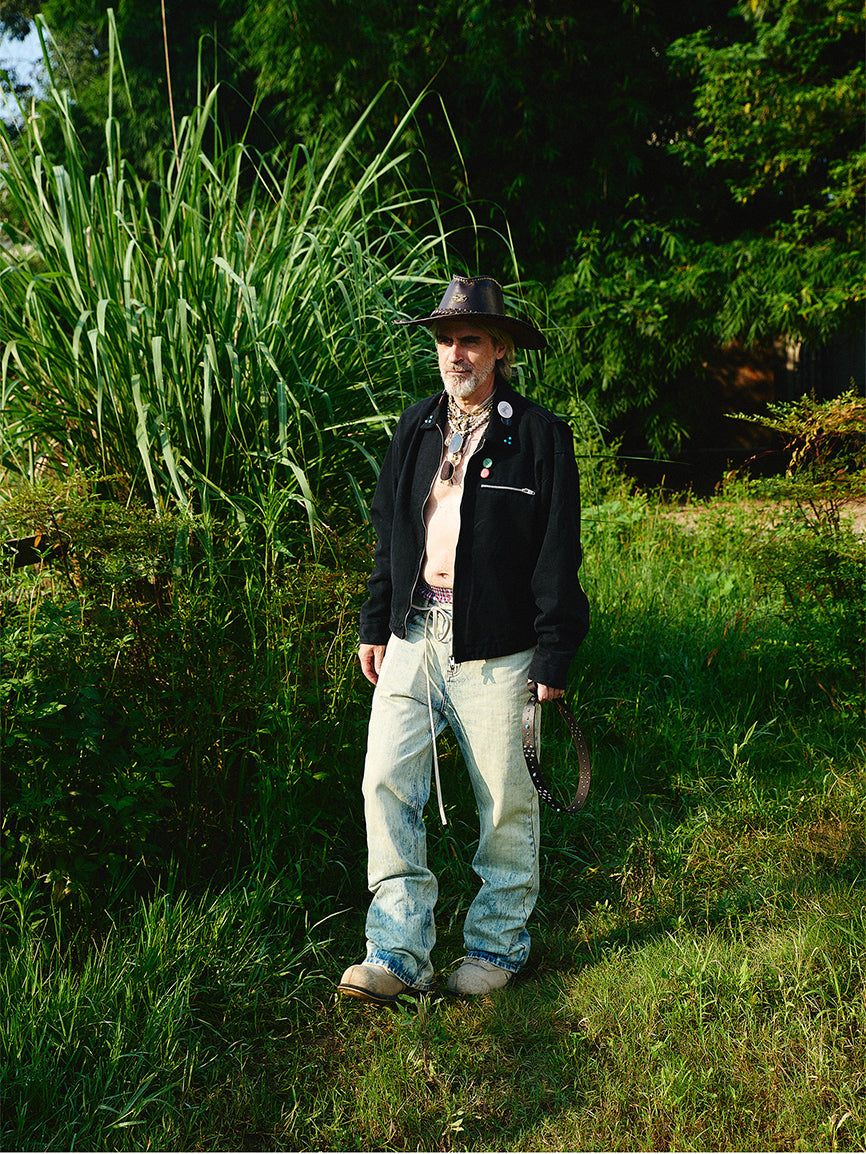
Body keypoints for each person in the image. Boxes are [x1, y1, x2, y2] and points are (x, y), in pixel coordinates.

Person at [338, 275, 589, 1003]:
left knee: (504, 801)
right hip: (415, 633)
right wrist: (376, 622)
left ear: (501, 348)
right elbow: (390, 531)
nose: (455, 353)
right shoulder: (417, 426)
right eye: (446, 340)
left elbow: (557, 553)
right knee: (384, 781)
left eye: (470, 339)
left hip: (499, 649)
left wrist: (554, 652)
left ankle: (497, 948)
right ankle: (396, 954)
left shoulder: (538, 435)